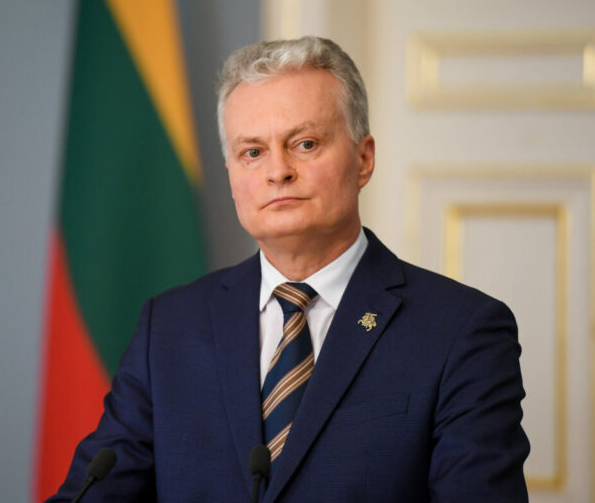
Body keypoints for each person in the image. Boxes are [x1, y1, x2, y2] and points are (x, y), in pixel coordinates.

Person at [47, 36, 529, 502]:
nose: (278, 171)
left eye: (305, 143)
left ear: (364, 159)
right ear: (232, 174)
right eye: (252, 152)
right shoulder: (169, 328)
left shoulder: (461, 331)